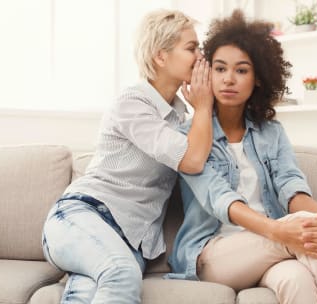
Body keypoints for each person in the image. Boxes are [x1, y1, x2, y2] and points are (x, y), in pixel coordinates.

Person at [168, 10, 317, 304]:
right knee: (306, 235)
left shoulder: (270, 133)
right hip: (213, 252)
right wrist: (282, 230)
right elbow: (220, 199)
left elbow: (291, 187)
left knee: (296, 279)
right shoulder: (190, 135)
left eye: (242, 70)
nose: (229, 80)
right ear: (207, 73)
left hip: (271, 245)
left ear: (258, 78)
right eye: (220, 69)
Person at [42, 9, 213, 304]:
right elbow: (193, 160)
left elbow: (201, 158)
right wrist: (205, 106)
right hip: (82, 217)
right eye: (191, 48)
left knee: (86, 293)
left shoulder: (181, 117)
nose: (201, 57)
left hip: (126, 242)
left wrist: (201, 109)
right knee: (121, 273)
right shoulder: (133, 102)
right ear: (161, 56)